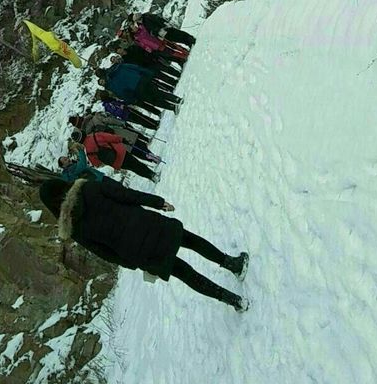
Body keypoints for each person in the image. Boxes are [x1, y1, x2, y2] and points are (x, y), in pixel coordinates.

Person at [39, 176, 249, 311]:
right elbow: (126, 195)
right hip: (150, 225)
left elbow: (104, 253)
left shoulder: (74, 230)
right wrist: (157, 203)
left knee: (185, 273)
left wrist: (132, 262)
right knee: (190, 240)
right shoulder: (89, 187)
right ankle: (232, 264)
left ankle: (232, 300)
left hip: (140, 253)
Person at [82, 130, 157, 181]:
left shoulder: (87, 152)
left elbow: (97, 164)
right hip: (120, 152)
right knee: (136, 163)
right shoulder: (95, 136)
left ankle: (150, 177)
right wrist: (121, 139)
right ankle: (152, 174)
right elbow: (110, 138)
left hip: (115, 162)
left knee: (134, 169)